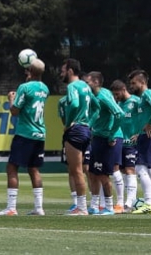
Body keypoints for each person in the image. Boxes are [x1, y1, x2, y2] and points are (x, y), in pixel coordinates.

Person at [0, 59, 48, 216]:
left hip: (25, 133)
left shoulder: (24, 87)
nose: (25, 72)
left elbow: (15, 111)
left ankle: (11, 208)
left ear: (30, 71)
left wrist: (11, 99)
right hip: (40, 133)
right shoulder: (45, 88)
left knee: (12, 167)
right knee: (34, 169)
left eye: (27, 70)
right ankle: (39, 207)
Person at [85, 71, 124, 216]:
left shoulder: (102, 96)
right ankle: (94, 206)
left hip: (109, 138)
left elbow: (118, 113)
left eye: (88, 82)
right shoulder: (95, 95)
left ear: (96, 82)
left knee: (104, 174)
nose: (86, 85)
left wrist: (112, 133)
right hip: (98, 136)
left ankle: (109, 206)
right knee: (92, 172)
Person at [60, 59, 95, 215]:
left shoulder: (73, 86)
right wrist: (88, 122)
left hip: (76, 130)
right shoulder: (86, 86)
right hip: (86, 129)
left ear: (70, 71)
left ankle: (81, 207)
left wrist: (69, 123)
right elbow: (97, 106)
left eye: (63, 70)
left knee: (76, 170)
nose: (61, 73)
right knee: (81, 169)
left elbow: (74, 104)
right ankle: (84, 206)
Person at [128, 69, 151, 215]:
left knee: (140, 168)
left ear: (142, 82)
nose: (132, 86)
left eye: (133, 83)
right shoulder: (145, 98)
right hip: (150, 136)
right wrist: (141, 132)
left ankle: (148, 202)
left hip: (149, 136)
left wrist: (149, 125)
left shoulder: (148, 94)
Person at [111, 79, 140, 212]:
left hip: (130, 142)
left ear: (124, 90)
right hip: (119, 141)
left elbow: (145, 116)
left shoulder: (135, 101)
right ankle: (123, 201)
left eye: (117, 94)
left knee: (129, 169)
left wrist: (139, 132)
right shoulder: (118, 104)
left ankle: (129, 202)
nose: (116, 97)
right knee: (121, 171)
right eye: (114, 95)